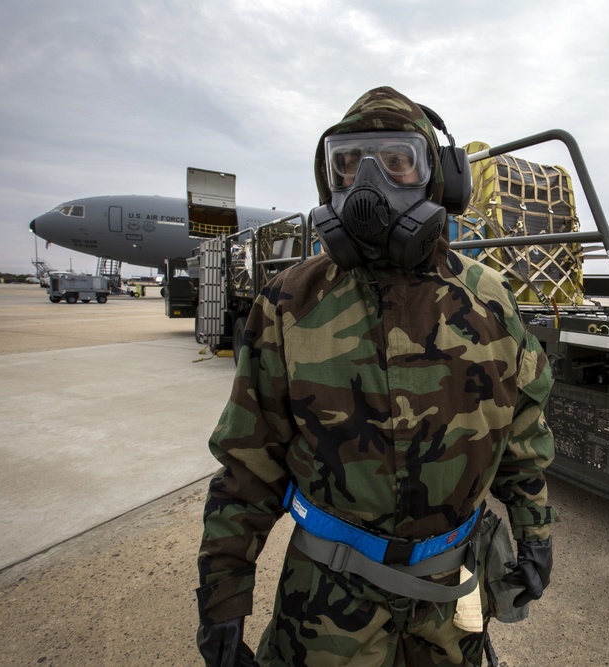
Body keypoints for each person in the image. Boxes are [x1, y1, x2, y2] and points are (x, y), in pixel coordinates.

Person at [195, 86, 559, 667]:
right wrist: (222, 596)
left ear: (436, 177)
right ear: (329, 180)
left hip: (449, 597)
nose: (370, 184)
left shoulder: (489, 302)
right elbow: (248, 462)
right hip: (325, 607)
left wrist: (534, 531)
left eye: (396, 161)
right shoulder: (290, 303)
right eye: (348, 164)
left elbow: (521, 435)